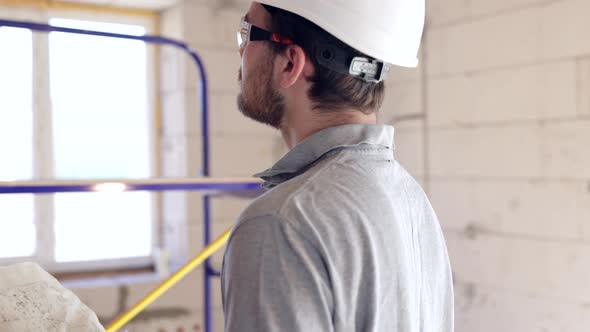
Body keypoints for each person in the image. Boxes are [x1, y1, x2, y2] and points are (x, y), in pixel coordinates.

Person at [221, 1, 454, 331]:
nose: (241, 51)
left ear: (290, 63)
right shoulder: (410, 198)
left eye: (247, 32)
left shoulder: (279, 222)